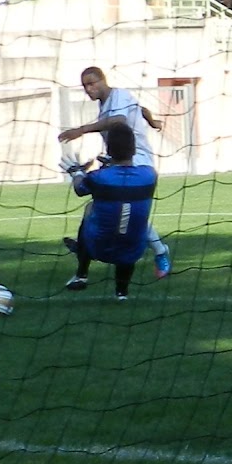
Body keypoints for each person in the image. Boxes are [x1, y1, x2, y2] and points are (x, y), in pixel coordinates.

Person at [57, 67, 172, 276]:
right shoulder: (107, 105)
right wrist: (152, 120)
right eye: (85, 86)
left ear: (103, 80)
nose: (88, 89)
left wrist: (81, 130)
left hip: (138, 161)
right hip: (121, 161)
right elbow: (140, 108)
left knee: (127, 212)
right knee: (117, 210)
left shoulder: (118, 95)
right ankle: (87, 244)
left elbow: (118, 121)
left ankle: (159, 251)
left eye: (92, 83)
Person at [61, 123, 157, 300]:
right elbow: (124, 180)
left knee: (90, 208)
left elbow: (80, 189)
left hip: (99, 247)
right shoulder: (150, 175)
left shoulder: (100, 177)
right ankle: (122, 293)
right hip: (133, 248)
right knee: (129, 227)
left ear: (109, 150)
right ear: (134, 149)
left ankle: (82, 272)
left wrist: (76, 172)